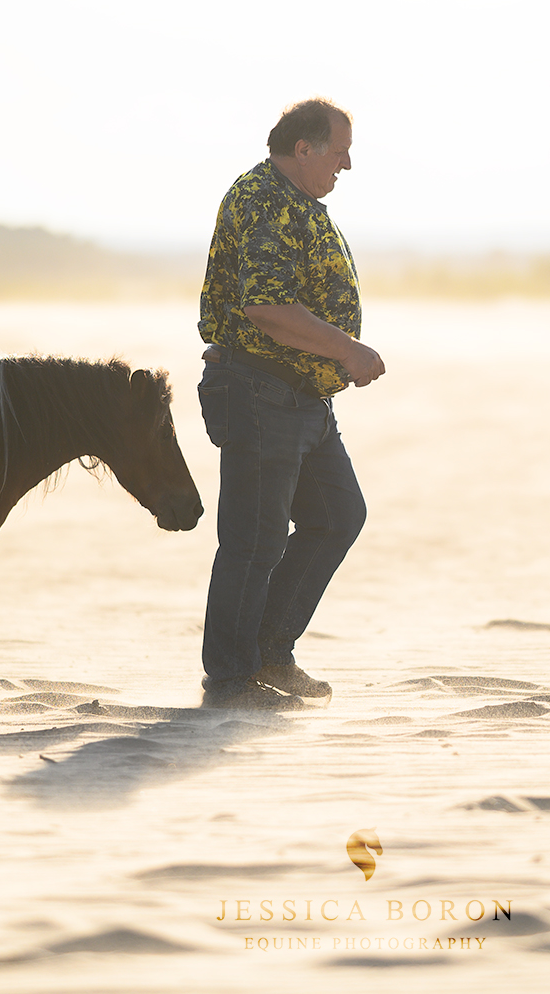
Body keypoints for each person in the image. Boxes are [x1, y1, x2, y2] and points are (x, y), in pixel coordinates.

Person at [195, 98, 385, 710]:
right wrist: (347, 349)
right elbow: (266, 307)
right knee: (254, 539)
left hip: (302, 397)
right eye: (339, 152)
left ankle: (271, 654)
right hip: (259, 390)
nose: (347, 165)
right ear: (303, 149)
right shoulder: (263, 199)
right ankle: (232, 680)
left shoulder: (295, 200)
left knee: (337, 516)